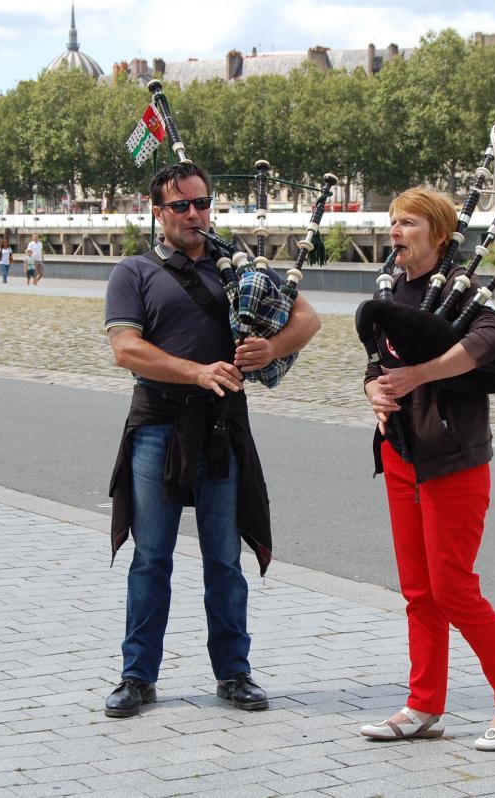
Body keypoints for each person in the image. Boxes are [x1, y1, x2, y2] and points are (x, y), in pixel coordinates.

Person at [102, 161, 320, 718]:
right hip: (158, 428)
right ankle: (137, 676)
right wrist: (195, 371)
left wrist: (272, 349)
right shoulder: (134, 272)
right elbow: (126, 349)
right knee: (151, 558)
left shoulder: (238, 268)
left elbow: (309, 320)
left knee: (225, 559)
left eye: (202, 204)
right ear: (158, 212)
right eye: (182, 206)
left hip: (223, 429)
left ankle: (234, 674)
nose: (195, 214)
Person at [358, 188, 495, 751]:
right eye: (392, 221)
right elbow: (377, 362)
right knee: (418, 591)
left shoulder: (464, 290)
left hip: (453, 459)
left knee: (454, 587)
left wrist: (421, 375)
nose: (395, 231)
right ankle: (424, 705)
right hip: (399, 452)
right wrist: (374, 388)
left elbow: (491, 339)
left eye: (407, 222)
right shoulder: (394, 288)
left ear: (437, 233)